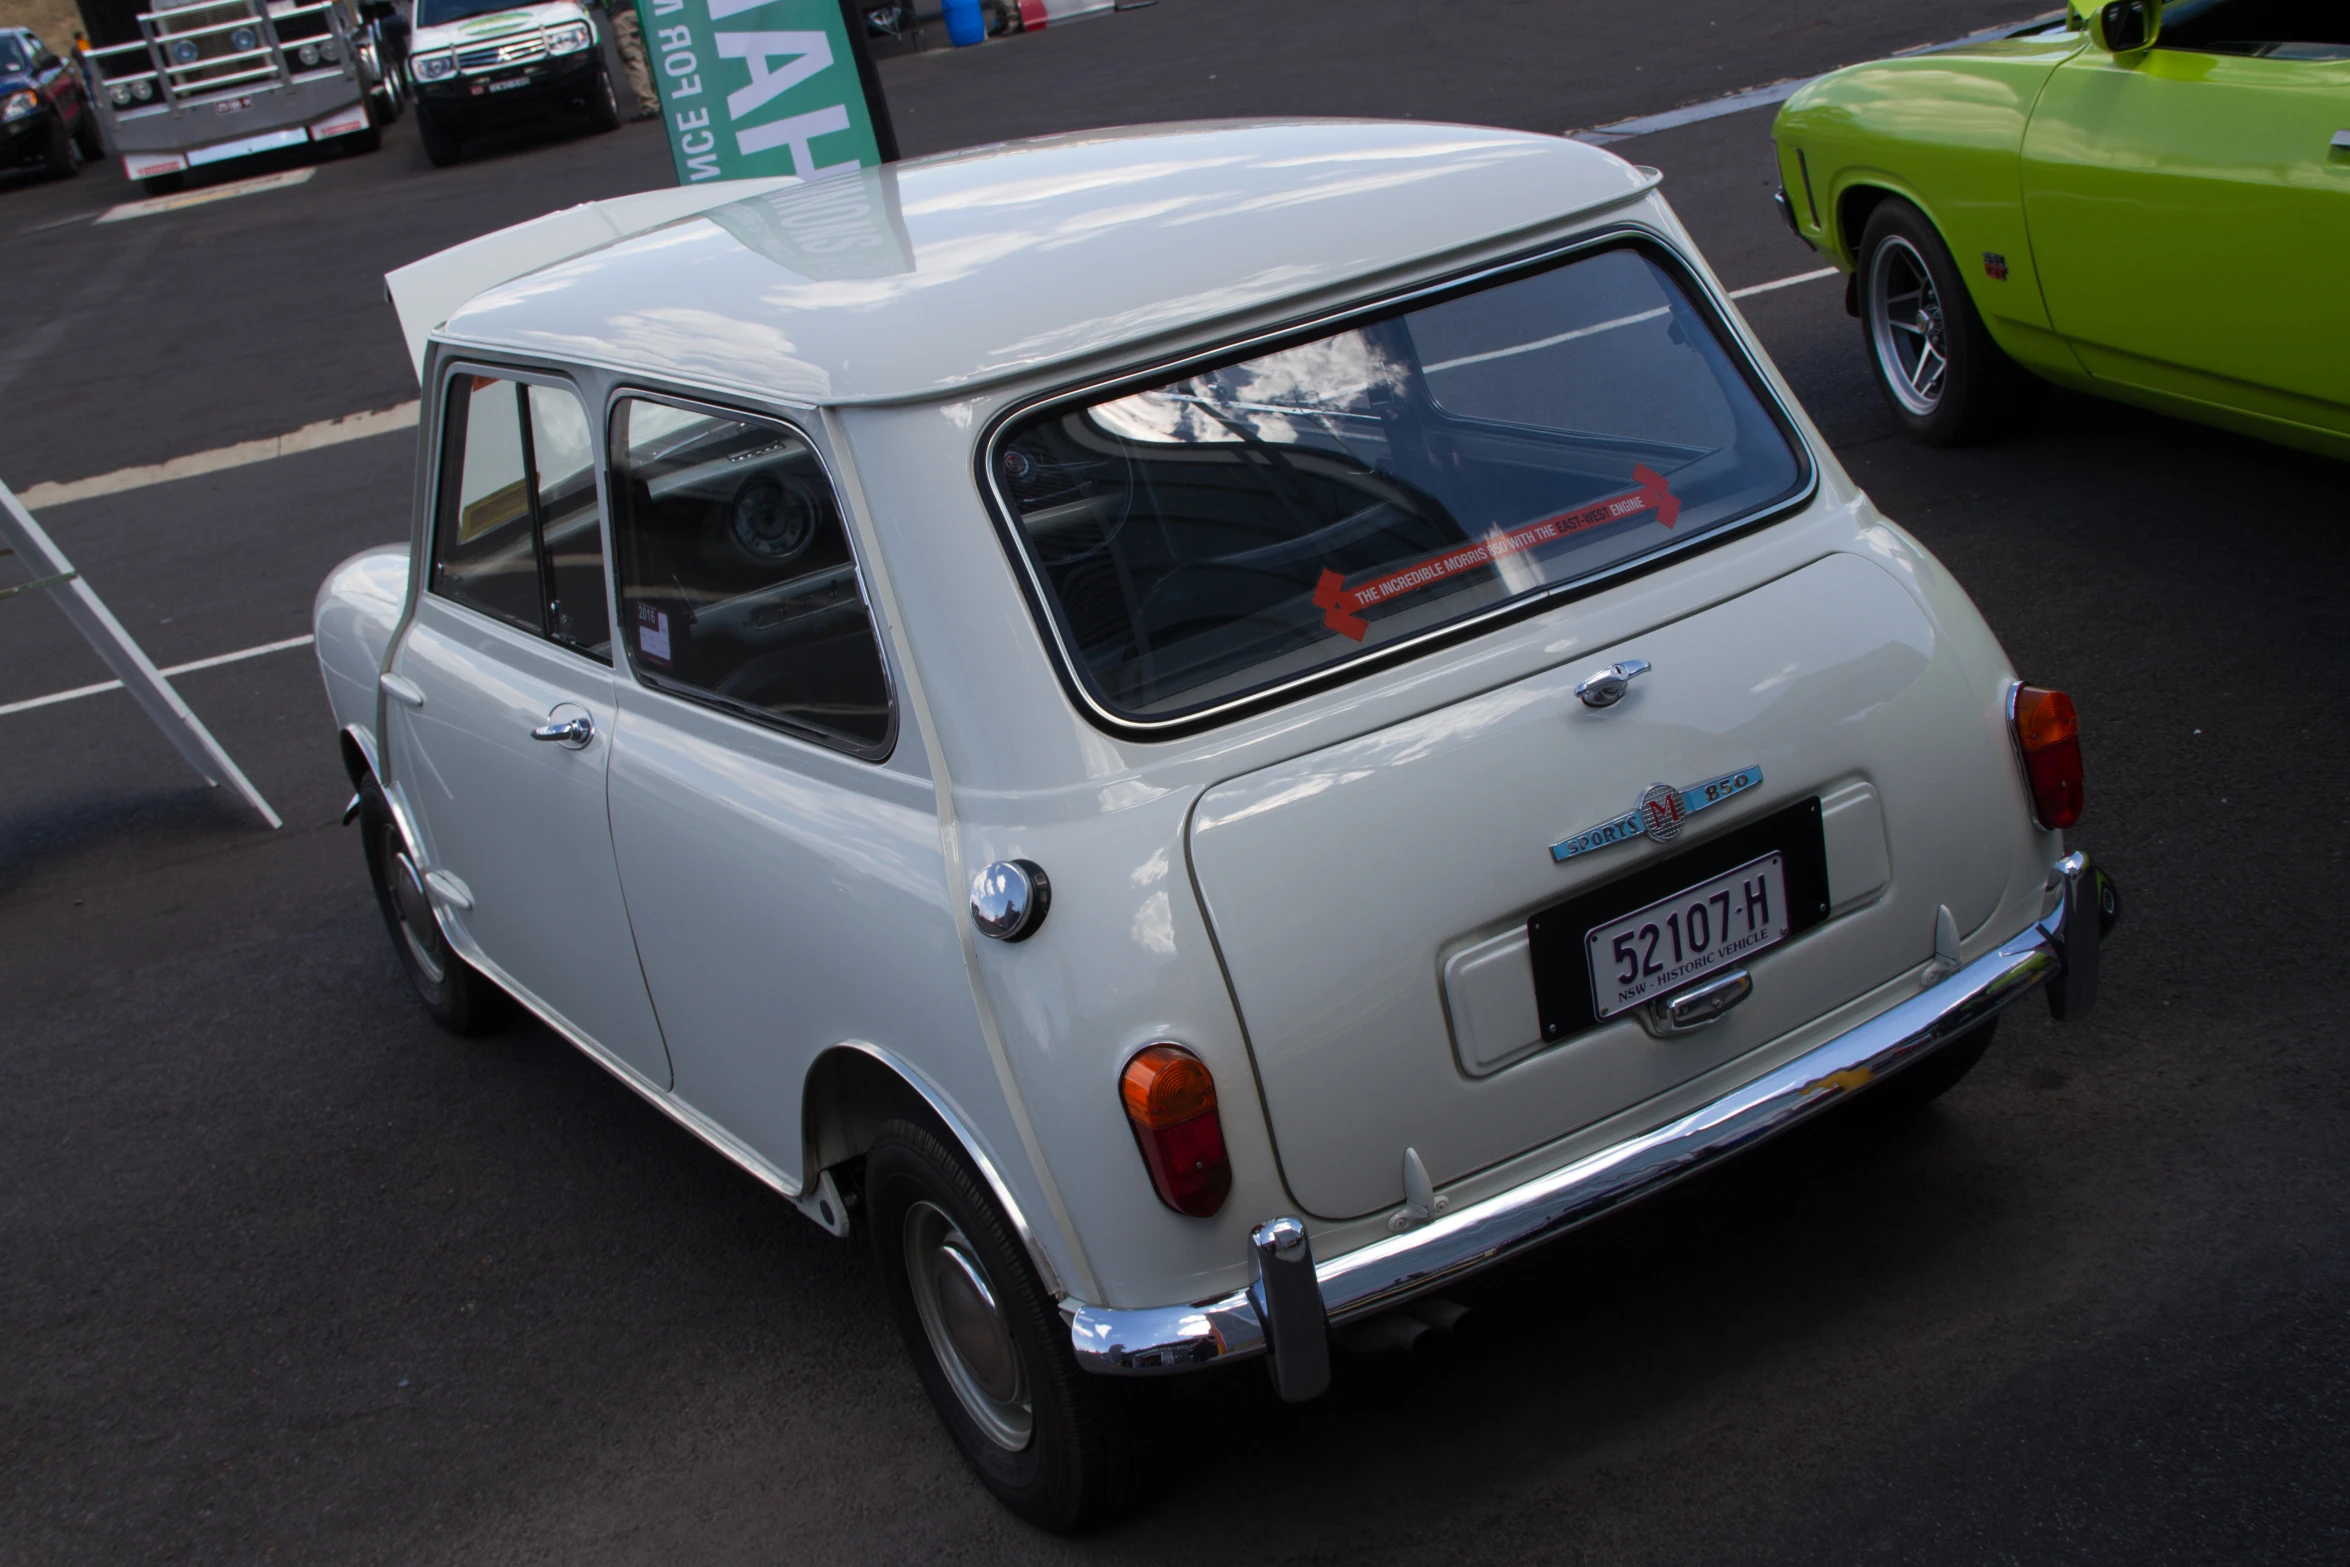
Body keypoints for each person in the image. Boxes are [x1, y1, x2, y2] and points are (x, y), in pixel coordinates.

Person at [599, 0, 659, 121]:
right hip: (642, 9)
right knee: (648, 55)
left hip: (622, 13)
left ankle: (649, 105)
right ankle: (660, 98)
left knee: (633, 60)